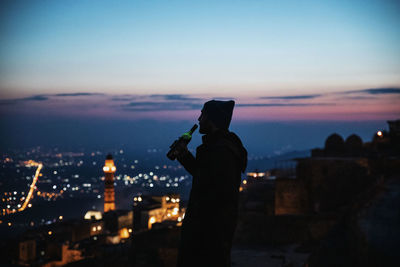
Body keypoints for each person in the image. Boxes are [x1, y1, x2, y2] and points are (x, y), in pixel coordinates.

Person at [175, 100, 248, 267]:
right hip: (209, 230)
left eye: (203, 115)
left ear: (212, 119)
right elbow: (205, 177)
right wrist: (184, 156)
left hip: (208, 233)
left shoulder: (221, 151)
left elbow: (214, 192)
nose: (199, 119)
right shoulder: (218, 148)